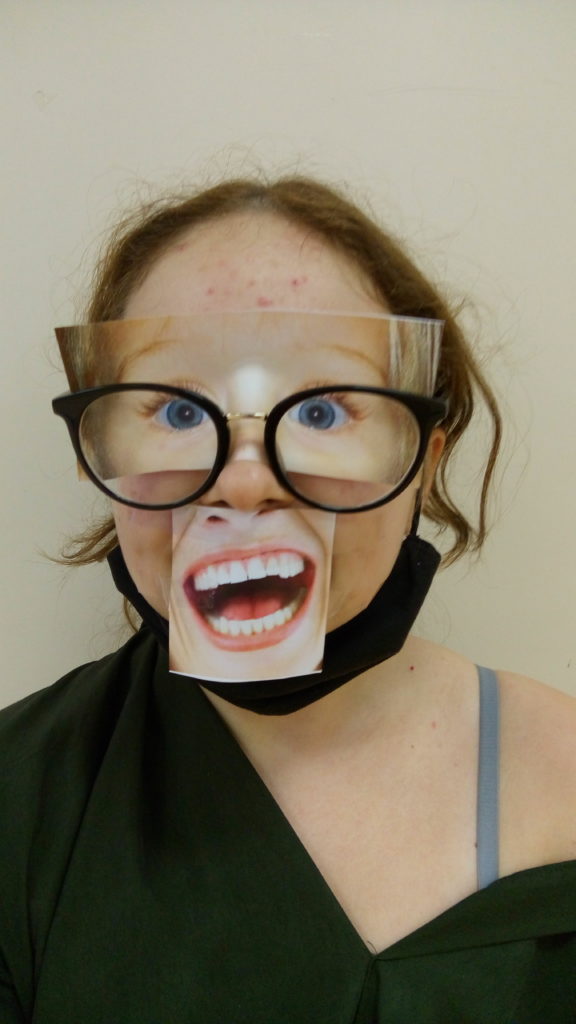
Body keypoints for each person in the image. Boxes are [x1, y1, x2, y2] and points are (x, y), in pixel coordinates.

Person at [1, 176, 575, 1023]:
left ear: (424, 460)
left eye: (323, 411)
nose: (243, 482)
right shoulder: (18, 800)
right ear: (102, 453)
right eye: (176, 411)